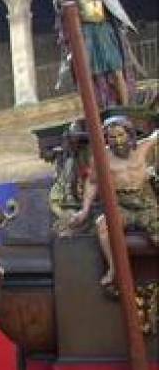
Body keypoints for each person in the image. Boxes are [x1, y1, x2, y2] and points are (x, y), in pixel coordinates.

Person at [69, 116, 158, 285]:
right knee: (103, 226)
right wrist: (84, 210)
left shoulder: (143, 147)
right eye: (112, 137)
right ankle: (114, 268)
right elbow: (93, 182)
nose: (118, 141)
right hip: (120, 203)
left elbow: (156, 135)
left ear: (129, 135)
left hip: (145, 202)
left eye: (121, 135)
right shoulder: (101, 158)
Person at [60, 0, 141, 107]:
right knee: (92, 75)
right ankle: (100, 107)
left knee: (117, 71)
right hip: (87, 35)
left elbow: (114, 11)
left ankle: (124, 107)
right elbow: (62, 9)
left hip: (105, 33)